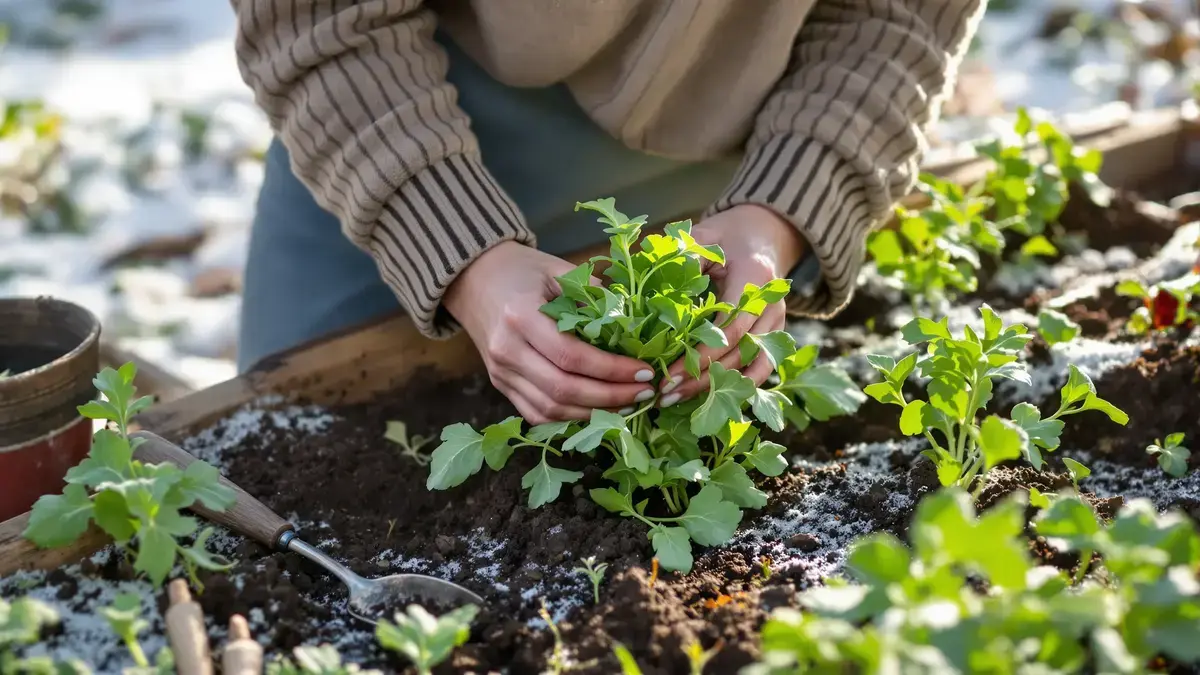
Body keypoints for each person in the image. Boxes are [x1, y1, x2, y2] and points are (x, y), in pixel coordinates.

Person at [231, 0, 984, 424]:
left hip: (750, 137)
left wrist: (780, 211)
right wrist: (460, 254)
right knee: (289, 444)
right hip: (395, 116)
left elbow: (903, 15)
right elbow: (316, 20)